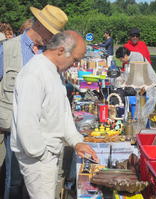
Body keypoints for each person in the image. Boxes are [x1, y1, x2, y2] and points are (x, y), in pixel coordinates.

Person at [11, 30, 98, 199]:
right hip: (38, 157)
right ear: (60, 50)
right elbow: (26, 122)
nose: (75, 65)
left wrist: (76, 142)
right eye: (75, 60)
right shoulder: (34, 73)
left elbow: (62, 111)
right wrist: (40, 154)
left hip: (46, 153)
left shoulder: (53, 71)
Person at [0, 5, 68, 199]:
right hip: (14, 129)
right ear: (39, 25)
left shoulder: (50, 54)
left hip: (43, 131)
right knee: (13, 183)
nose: (52, 38)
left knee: (37, 182)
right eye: (50, 32)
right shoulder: (8, 49)